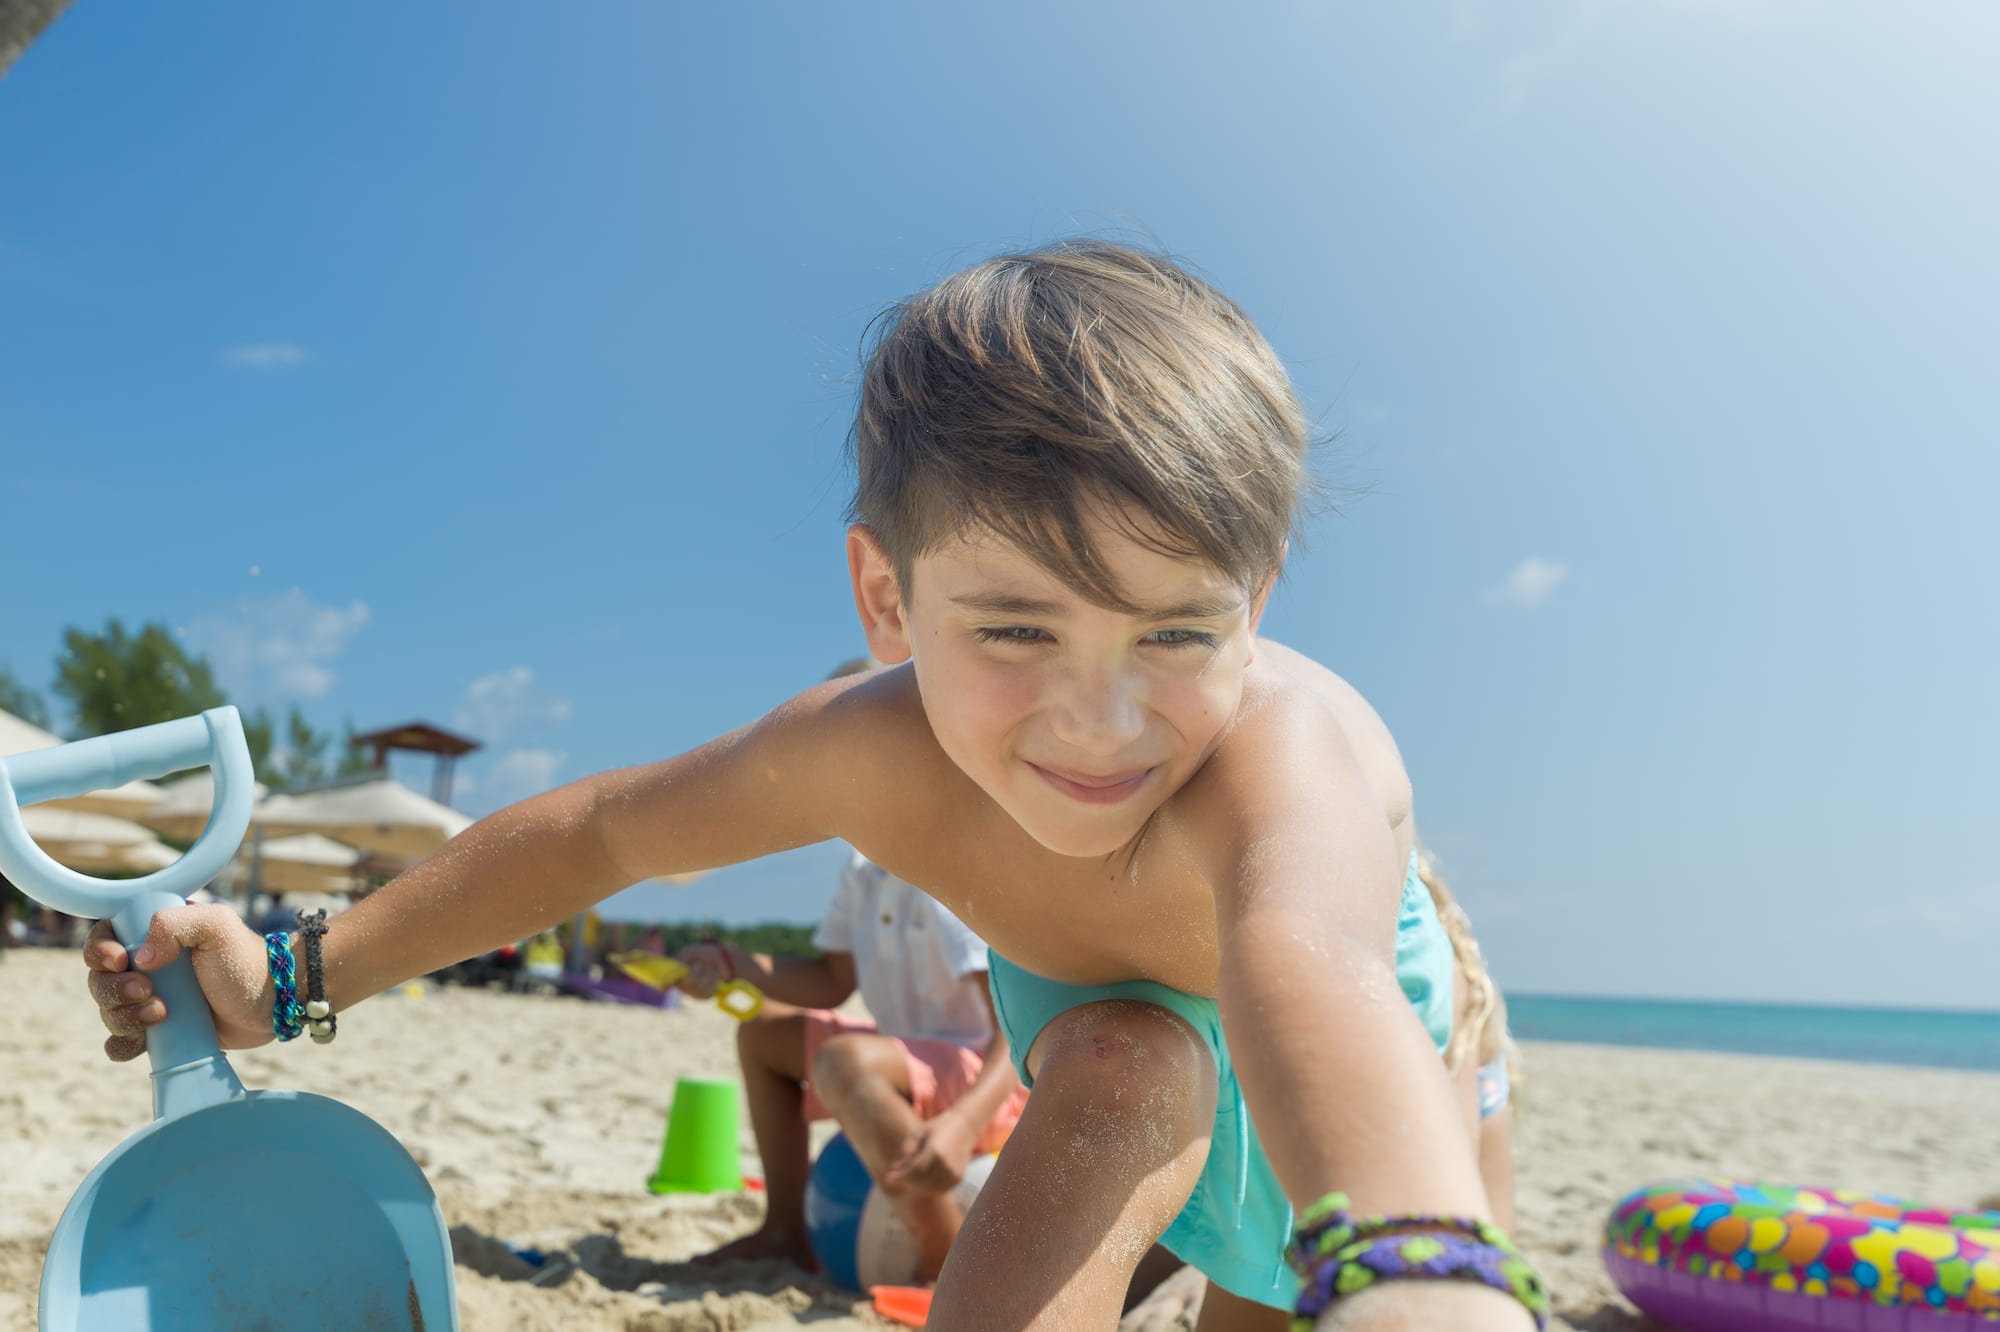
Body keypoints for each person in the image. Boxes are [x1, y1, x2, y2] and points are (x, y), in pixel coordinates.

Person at [83, 241, 1546, 1331]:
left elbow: (1315, 976)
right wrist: (295, 972)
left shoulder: (1280, 758)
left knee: (1313, 1292)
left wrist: (1427, 1270)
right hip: (1132, 1058)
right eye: (1017, 628)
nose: (1101, 724)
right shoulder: (867, 748)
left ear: (1258, 598)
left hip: (1373, 1104)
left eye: (1176, 632)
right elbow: (602, 838)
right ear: (886, 598)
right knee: (1116, 1062)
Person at [677, 845, 1027, 1282]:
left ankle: (946, 1270)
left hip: (994, 1080)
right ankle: (786, 1231)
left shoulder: (953, 870)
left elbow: (1015, 1031)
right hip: (912, 1058)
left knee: (842, 1062)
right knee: (761, 1032)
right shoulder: (864, 870)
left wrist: (963, 1124)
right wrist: (731, 963)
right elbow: (831, 980)